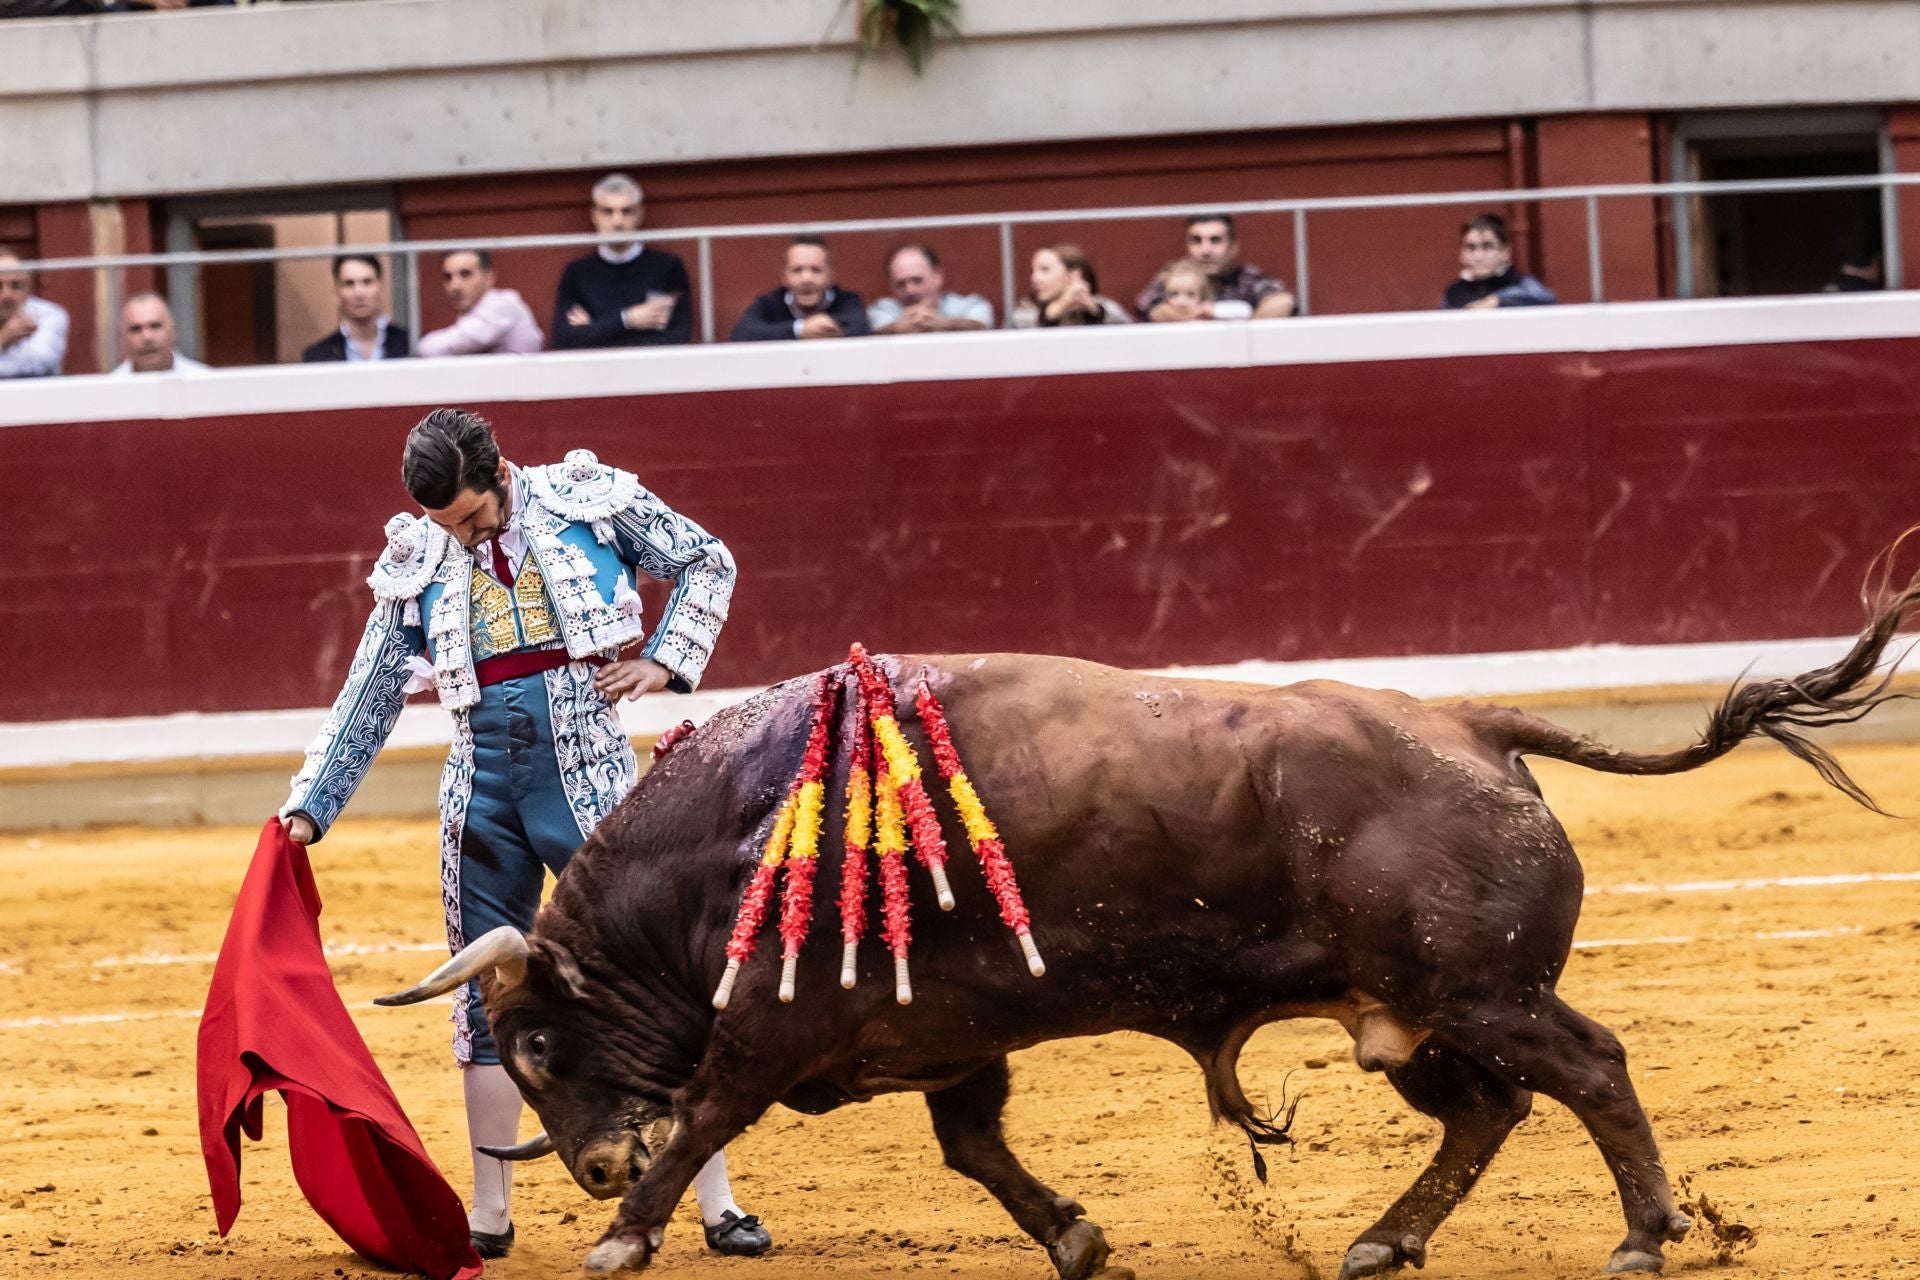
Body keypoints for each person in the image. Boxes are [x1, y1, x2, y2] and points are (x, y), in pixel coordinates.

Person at [279, 409, 770, 1261]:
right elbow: (370, 691)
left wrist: (664, 659)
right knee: (482, 993)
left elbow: (706, 559)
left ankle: (715, 1203)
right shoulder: (421, 554)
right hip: (483, 794)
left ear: (500, 470)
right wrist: (311, 804)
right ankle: (490, 1210)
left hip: (592, 777)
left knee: (657, 986)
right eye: (447, 527)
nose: (462, 539)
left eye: (470, 517)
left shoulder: (587, 500)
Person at [551, 173, 693, 349]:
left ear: (640, 215)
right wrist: (629, 319)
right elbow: (564, 341)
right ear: (594, 216)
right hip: (595, 373)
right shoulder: (577, 273)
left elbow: (677, 337)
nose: (617, 222)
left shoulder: (667, 268)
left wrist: (595, 330)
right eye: (608, 212)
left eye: (626, 211)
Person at [1136, 215, 1294, 322]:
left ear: (1233, 247)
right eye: (1197, 241)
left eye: (1215, 240)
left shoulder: (1247, 278)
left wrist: (1242, 327)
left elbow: (1283, 302)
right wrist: (1205, 317)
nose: (1206, 251)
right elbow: (1151, 307)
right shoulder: (1176, 276)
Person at [730, 236, 870, 341]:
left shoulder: (847, 301)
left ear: (830, 276)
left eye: (816, 270)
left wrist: (825, 329)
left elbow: (861, 329)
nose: (806, 279)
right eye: (797, 270)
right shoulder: (769, 304)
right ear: (784, 277)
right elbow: (742, 333)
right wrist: (799, 329)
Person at [417, 250, 544, 357]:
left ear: (489, 278)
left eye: (465, 274)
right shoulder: (472, 312)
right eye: (448, 277)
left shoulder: (502, 306)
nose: (454, 286)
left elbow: (431, 349)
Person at [302, 254, 411, 363]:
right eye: (349, 284)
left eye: (367, 282)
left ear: (380, 285)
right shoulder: (319, 355)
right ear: (336, 289)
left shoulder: (410, 345)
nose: (359, 293)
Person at [867, 244, 993, 334]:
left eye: (917, 280)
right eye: (900, 284)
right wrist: (905, 327)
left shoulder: (967, 305)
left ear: (937, 277)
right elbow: (877, 327)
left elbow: (981, 322)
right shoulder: (883, 309)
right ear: (891, 286)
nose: (910, 290)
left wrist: (942, 323)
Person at [1443, 214, 1557, 310]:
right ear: (1462, 254)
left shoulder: (1522, 284)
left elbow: (1546, 299)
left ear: (1505, 252)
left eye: (1487, 246)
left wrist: (1499, 301)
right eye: (1471, 247)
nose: (1478, 256)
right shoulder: (1453, 293)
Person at [1008, 245, 1131, 327]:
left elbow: (1127, 327)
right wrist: (1062, 305)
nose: (1034, 278)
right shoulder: (1025, 308)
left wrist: (1094, 311)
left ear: (1074, 274)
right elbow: (1018, 327)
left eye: (1045, 270)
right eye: (1033, 271)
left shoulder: (1103, 306)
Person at [0, 250, 69, 379]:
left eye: (16, 286)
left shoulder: (49, 315)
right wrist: (3, 339)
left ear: (28, 288)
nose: (7, 295)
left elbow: (38, 366)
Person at [111, 293, 211, 374]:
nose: (147, 337)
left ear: (173, 331)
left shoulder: (204, 382)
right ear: (122, 338)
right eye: (136, 329)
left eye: (155, 326)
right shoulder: (108, 392)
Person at [1150, 258, 1217, 323]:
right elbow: (1156, 314)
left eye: (1190, 294)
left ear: (1202, 296)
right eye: (1174, 294)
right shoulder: (1162, 311)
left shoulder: (1206, 309)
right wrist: (1191, 317)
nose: (1181, 302)